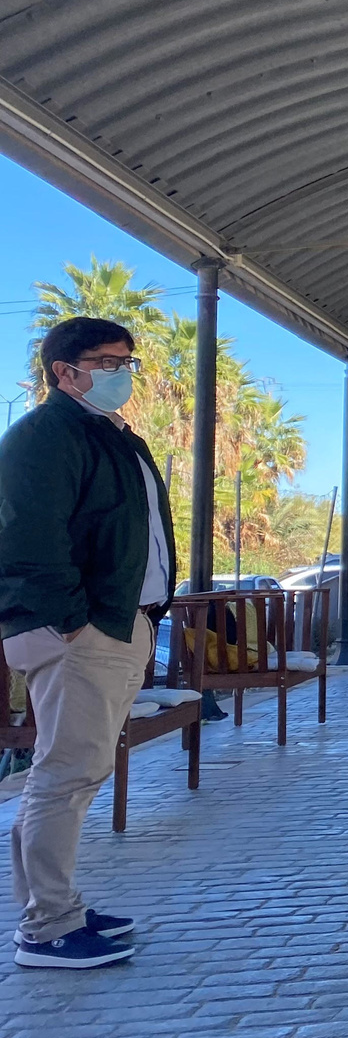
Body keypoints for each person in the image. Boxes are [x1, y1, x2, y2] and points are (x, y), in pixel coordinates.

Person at [0, 318, 175, 969]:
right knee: (66, 772)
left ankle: (54, 906)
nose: (121, 372)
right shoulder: (45, 436)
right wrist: (76, 623)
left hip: (117, 622)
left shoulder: (107, 435)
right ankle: (47, 928)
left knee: (73, 771)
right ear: (64, 373)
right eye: (106, 361)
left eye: (127, 360)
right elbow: (27, 539)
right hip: (82, 630)